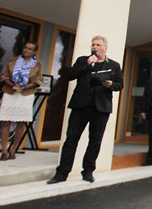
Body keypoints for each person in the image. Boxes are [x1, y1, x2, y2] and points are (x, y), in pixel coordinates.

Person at [47, 36, 123, 184]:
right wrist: (87, 64)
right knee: (71, 140)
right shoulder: (83, 60)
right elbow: (70, 76)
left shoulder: (114, 65)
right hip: (80, 106)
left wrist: (111, 85)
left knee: (95, 142)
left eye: (98, 45)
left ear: (105, 48)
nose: (95, 47)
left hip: (101, 108)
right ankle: (62, 173)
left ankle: (88, 171)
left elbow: (120, 84)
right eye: (93, 44)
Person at [0, 41, 43, 161]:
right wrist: (13, 85)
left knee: (21, 122)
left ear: (34, 52)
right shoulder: (13, 61)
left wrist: (23, 87)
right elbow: (4, 76)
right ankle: (4, 151)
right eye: (25, 48)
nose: (26, 50)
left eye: (30, 49)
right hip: (10, 92)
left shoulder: (37, 64)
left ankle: (13, 150)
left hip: (26, 95)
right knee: (5, 121)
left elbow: (38, 80)